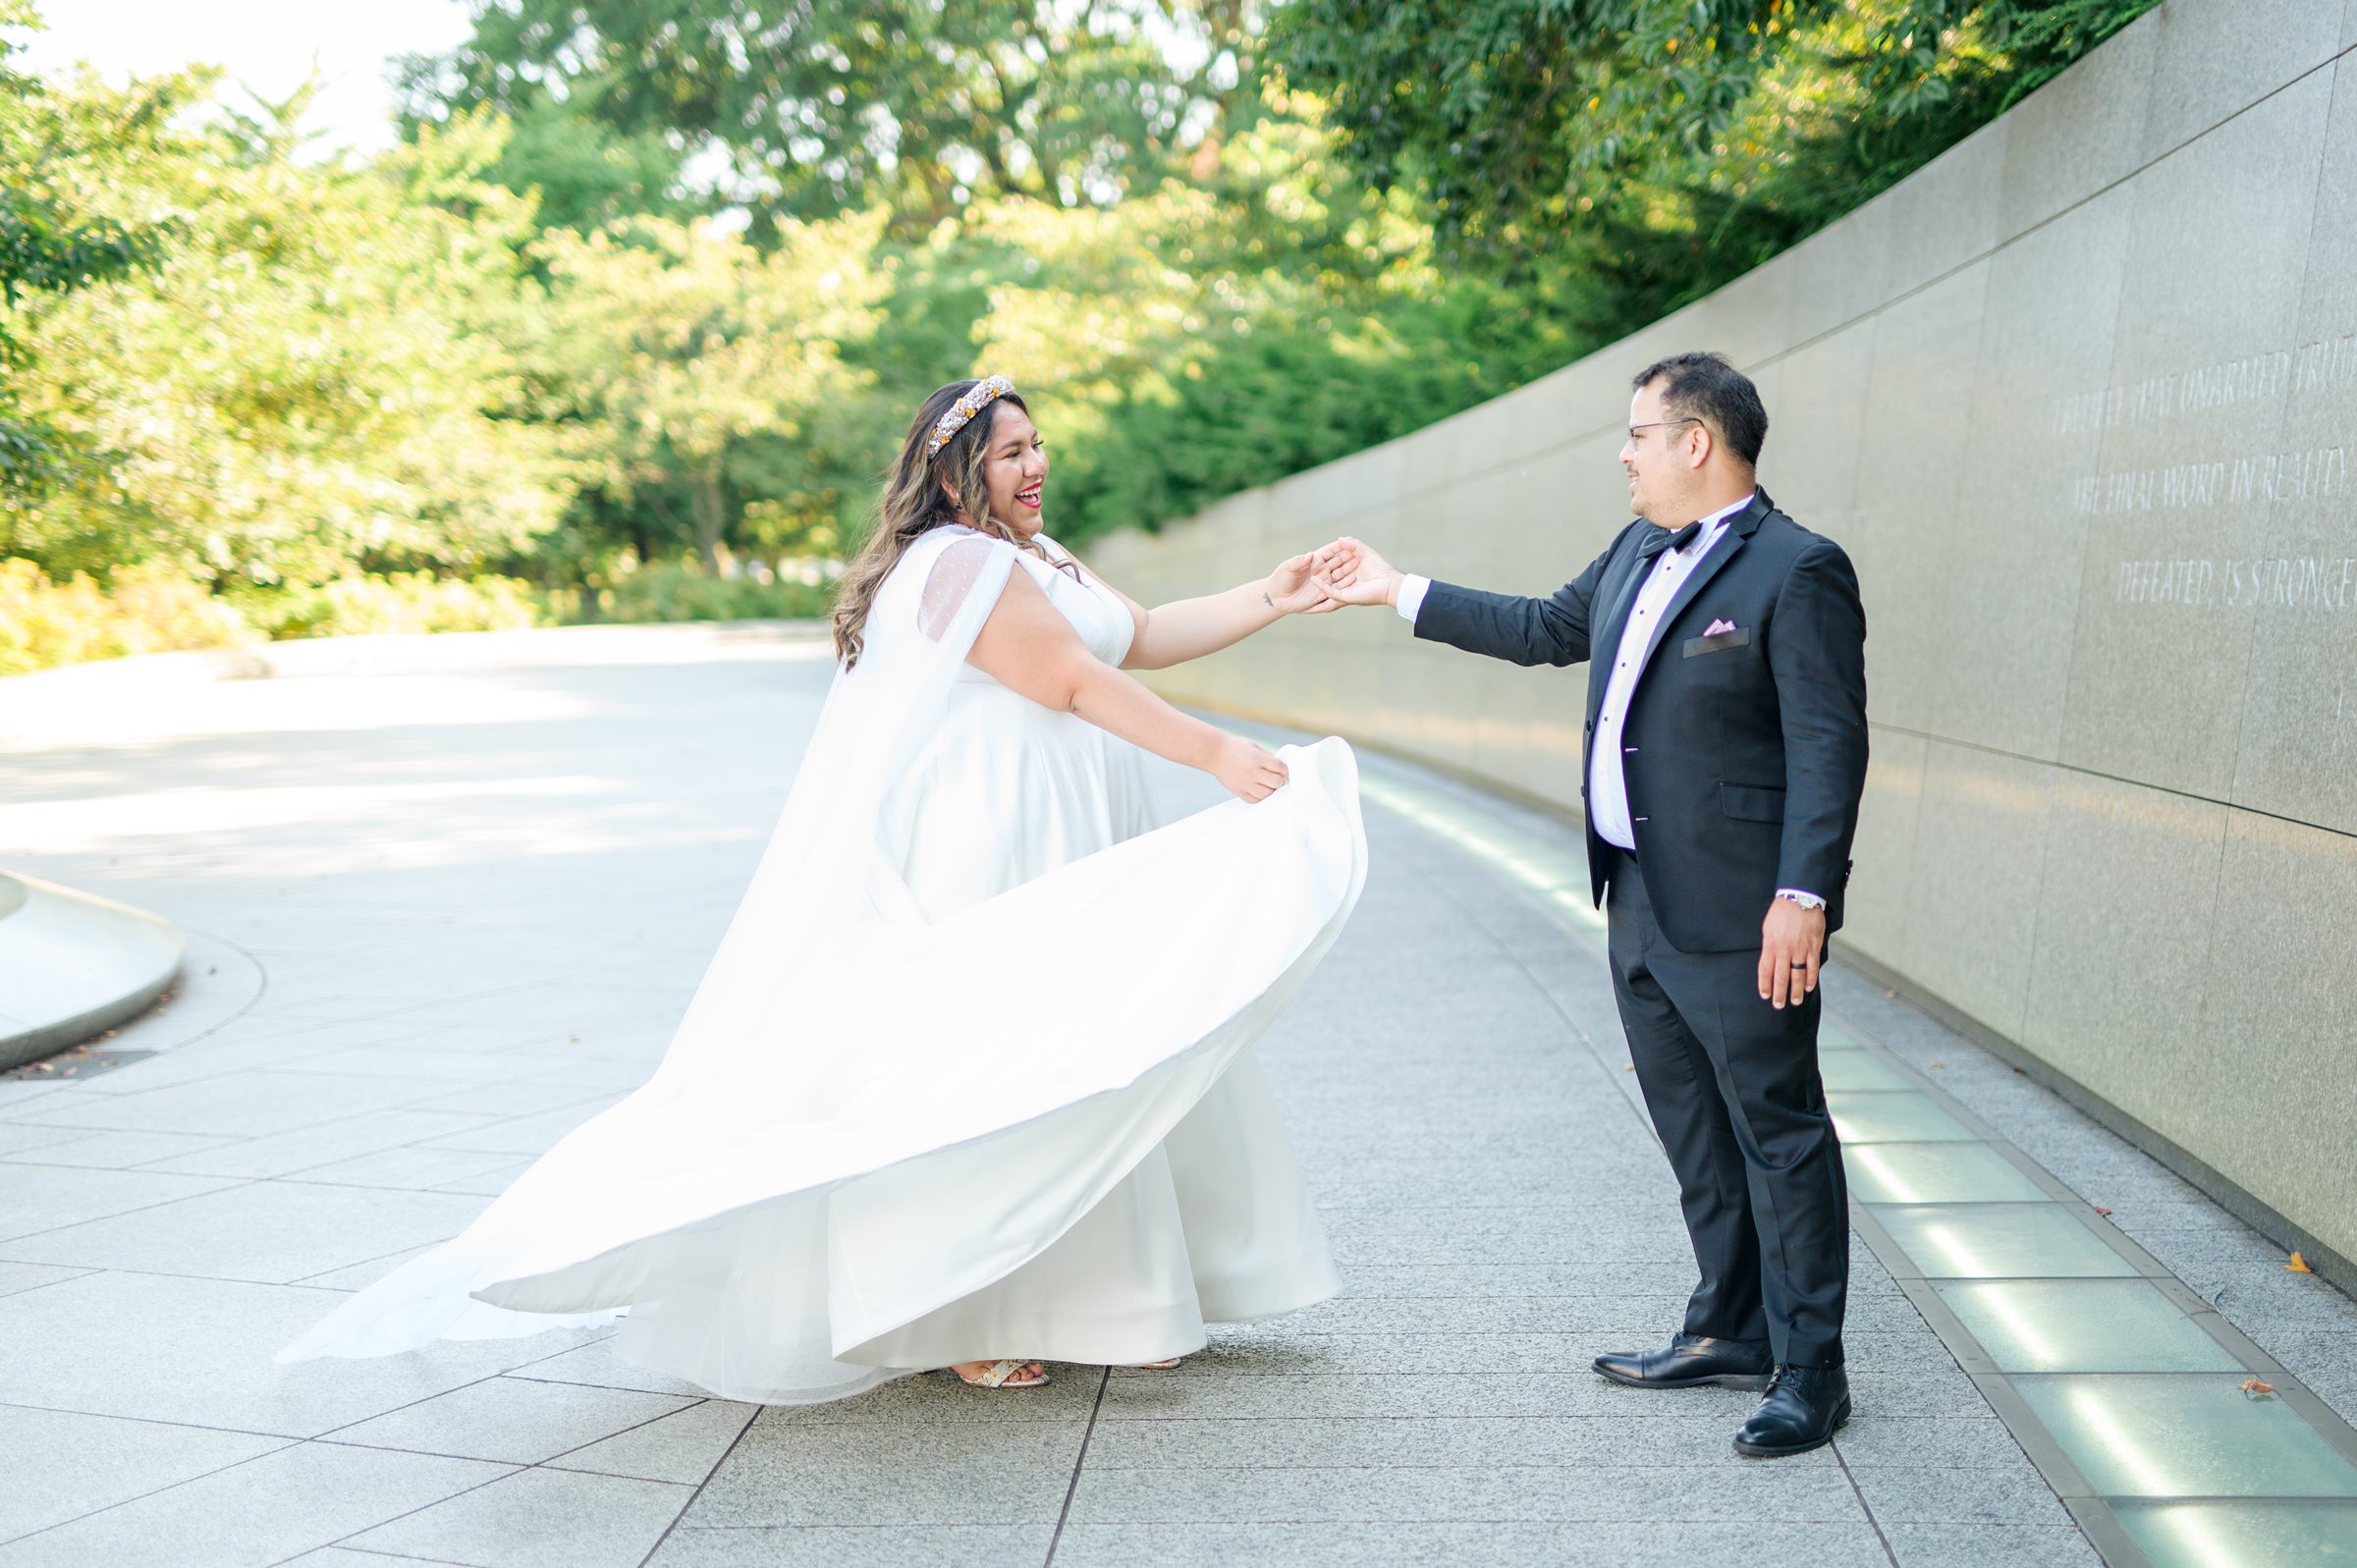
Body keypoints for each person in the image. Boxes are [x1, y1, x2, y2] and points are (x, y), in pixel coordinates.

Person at [281, 375, 1367, 1402]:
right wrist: (1215, 756)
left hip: (1068, 821)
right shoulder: (956, 565)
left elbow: (1138, 638)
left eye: (1038, 446)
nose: (1036, 465)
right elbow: (1073, 681)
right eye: (1010, 453)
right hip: (995, 830)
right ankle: (961, 1311)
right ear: (954, 475)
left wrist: (1271, 595)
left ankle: (1107, 1300)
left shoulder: (1037, 555)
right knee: (989, 1053)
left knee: (1086, 1037)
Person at [1312, 351, 1868, 1458]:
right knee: (1694, 1131)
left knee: (1777, 1128)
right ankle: (1730, 1324)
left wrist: (1803, 895)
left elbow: (1827, 743)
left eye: (1638, 434)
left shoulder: (1798, 570)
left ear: (1697, 441)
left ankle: (1813, 1368)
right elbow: (1540, 628)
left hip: (1744, 907)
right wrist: (1395, 588)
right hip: (1640, 899)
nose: (1624, 453)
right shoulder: (1633, 552)